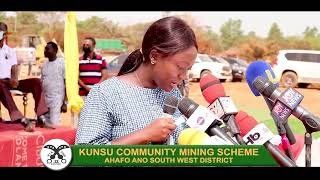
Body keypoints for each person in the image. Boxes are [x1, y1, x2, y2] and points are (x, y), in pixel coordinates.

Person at [75, 16, 198, 145]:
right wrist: (144, 135)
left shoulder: (173, 94)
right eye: (180, 67)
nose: (184, 76)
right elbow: (86, 153)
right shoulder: (105, 93)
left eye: (188, 69)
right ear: (154, 56)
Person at [0, 22, 49, 132]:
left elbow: (14, 67)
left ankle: (40, 116)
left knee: (36, 81)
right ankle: (19, 118)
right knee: (0, 84)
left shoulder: (10, 50)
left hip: (9, 81)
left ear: (5, 35)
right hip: (0, 83)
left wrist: (15, 78)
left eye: (3, 33)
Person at [71, 37, 108, 128]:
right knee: (82, 117)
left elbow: (105, 75)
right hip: (83, 94)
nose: (85, 46)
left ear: (94, 46)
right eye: (84, 44)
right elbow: (76, 77)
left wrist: (95, 88)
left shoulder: (101, 59)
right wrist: (86, 88)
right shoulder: (79, 60)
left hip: (97, 93)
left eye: (88, 44)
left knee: (95, 117)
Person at [41, 42, 67, 127]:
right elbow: (42, 82)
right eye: (45, 49)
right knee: (44, 124)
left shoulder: (62, 63)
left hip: (57, 99)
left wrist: (65, 103)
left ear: (55, 50)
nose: (45, 51)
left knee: (55, 124)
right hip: (45, 99)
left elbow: (66, 82)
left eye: (47, 49)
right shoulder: (44, 64)